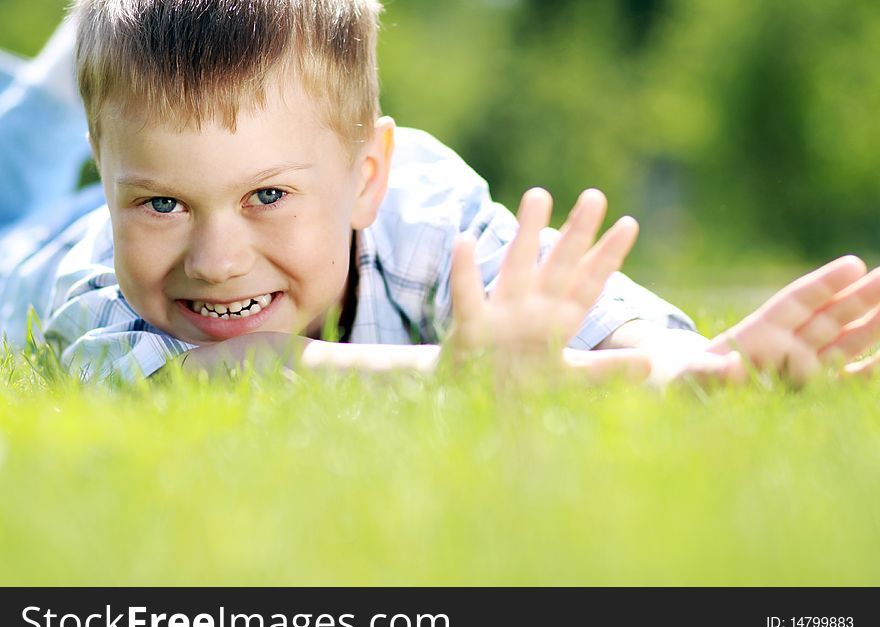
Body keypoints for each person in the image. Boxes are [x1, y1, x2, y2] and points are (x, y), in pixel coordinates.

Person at [1, 0, 878, 386]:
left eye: (267, 195)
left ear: (366, 178)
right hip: (31, 235)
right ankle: (53, 90)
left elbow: (581, 309)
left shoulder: (421, 205)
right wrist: (456, 380)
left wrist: (697, 367)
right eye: (161, 204)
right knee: (18, 168)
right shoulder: (99, 296)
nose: (216, 260)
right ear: (113, 178)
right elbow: (231, 376)